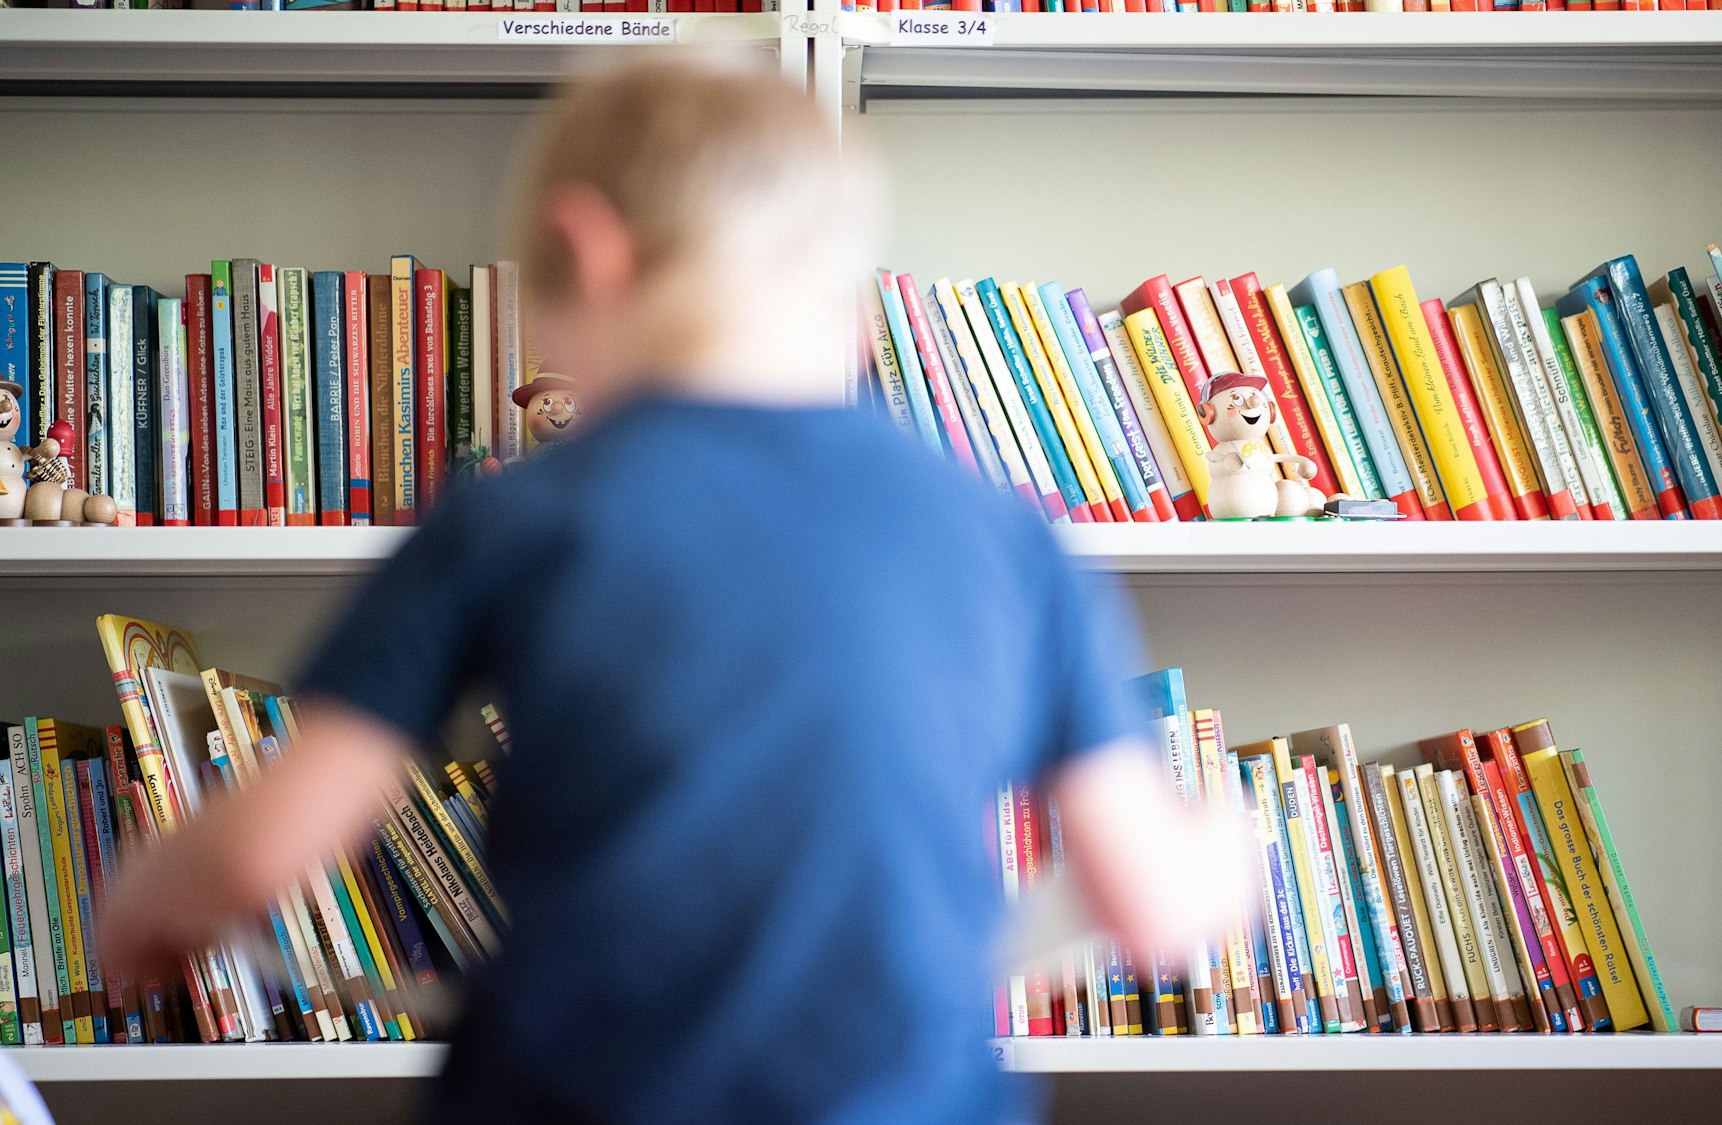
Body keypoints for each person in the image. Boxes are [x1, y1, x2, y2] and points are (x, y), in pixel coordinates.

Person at [99, 57, 1243, 1125]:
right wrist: (1220, 857)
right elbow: (1147, 901)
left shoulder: (515, 516)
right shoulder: (1006, 536)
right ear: (848, 294)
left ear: (585, 251)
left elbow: (267, 848)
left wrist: (149, 897)